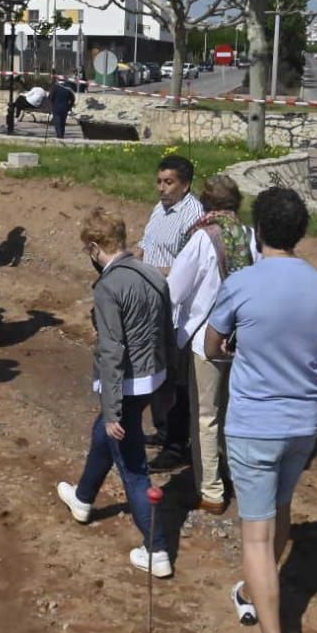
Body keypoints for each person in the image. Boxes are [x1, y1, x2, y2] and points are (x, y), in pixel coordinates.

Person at [204, 188, 317, 633]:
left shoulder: (243, 282)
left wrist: (238, 349)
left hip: (255, 422)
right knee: (280, 510)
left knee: (256, 536)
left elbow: (214, 344)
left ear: (258, 230)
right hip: (302, 421)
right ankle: (252, 591)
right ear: (301, 231)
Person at [55, 208, 176, 578]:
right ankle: (84, 498)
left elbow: (111, 350)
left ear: (94, 248)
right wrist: (168, 385)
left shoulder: (108, 287)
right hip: (152, 377)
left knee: (133, 466)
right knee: (100, 437)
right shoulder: (154, 275)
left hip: (124, 384)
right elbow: (167, 332)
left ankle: (156, 549)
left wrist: (111, 411)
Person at [165, 175, 253, 516]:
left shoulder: (203, 238)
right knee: (233, 411)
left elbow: (175, 288)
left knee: (205, 415)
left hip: (208, 338)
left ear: (205, 204)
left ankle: (211, 489)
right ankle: (235, 473)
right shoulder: (250, 236)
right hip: (243, 336)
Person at [141, 155, 205, 472]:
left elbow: (190, 268)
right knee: (156, 372)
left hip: (178, 308)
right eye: (159, 181)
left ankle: (177, 444)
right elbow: (146, 247)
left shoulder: (193, 215)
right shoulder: (159, 209)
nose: (162, 189)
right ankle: (163, 429)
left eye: (169, 183)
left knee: (177, 379)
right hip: (153, 303)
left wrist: (149, 271)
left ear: (186, 184)